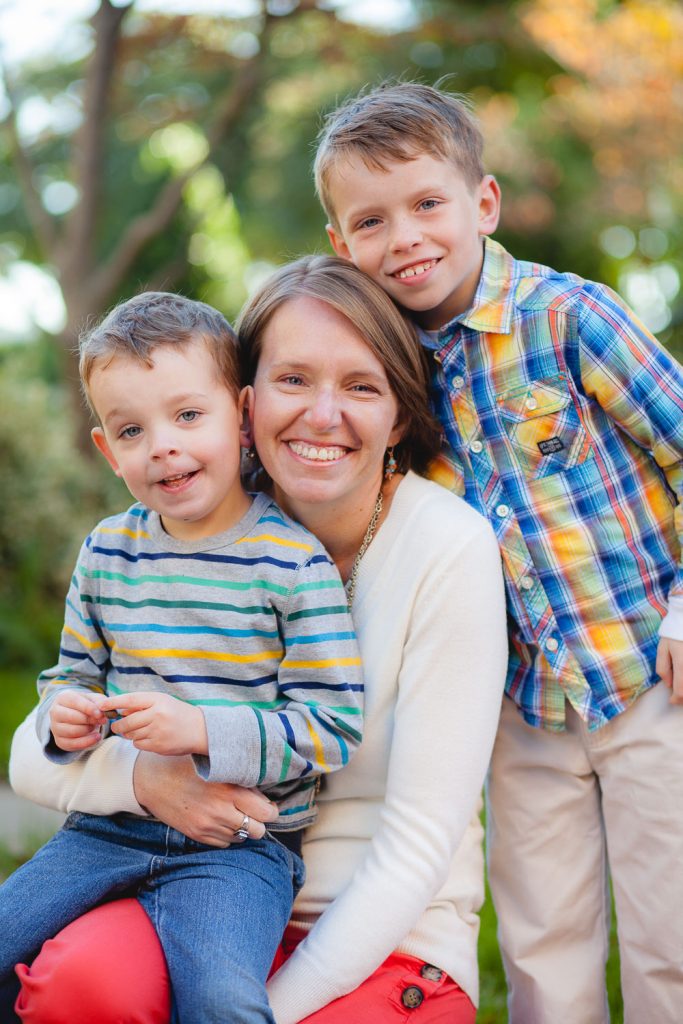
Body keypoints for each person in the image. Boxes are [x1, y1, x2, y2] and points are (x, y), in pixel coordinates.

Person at [9, 255, 508, 1024]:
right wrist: (143, 777)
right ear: (250, 403)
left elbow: (413, 845)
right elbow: (36, 746)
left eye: (360, 386)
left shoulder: (445, 548)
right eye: (294, 379)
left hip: (375, 931)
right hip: (168, 873)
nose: (320, 414)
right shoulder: (186, 520)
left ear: (399, 414)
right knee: (76, 982)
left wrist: (262, 1009)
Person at [311, 81, 683, 1023]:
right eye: (370, 221)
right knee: (540, 946)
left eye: (427, 204)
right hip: (520, 712)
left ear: (482, 203)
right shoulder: (387, 373)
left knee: (669, 937)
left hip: (650, 677)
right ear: (340, 245)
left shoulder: (569, 320)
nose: (405, 238)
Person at [0, 290, 365, 1024]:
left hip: (240, 849)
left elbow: (332, 726)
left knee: (223, 999)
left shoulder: (290, 563)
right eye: (132, 429)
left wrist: (201, 730)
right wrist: (63, 716)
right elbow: (70, 676)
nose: (162, 445)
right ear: (106, 448)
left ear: (240, 415)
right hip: (106, 831)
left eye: (187, 416)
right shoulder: (108, 552)